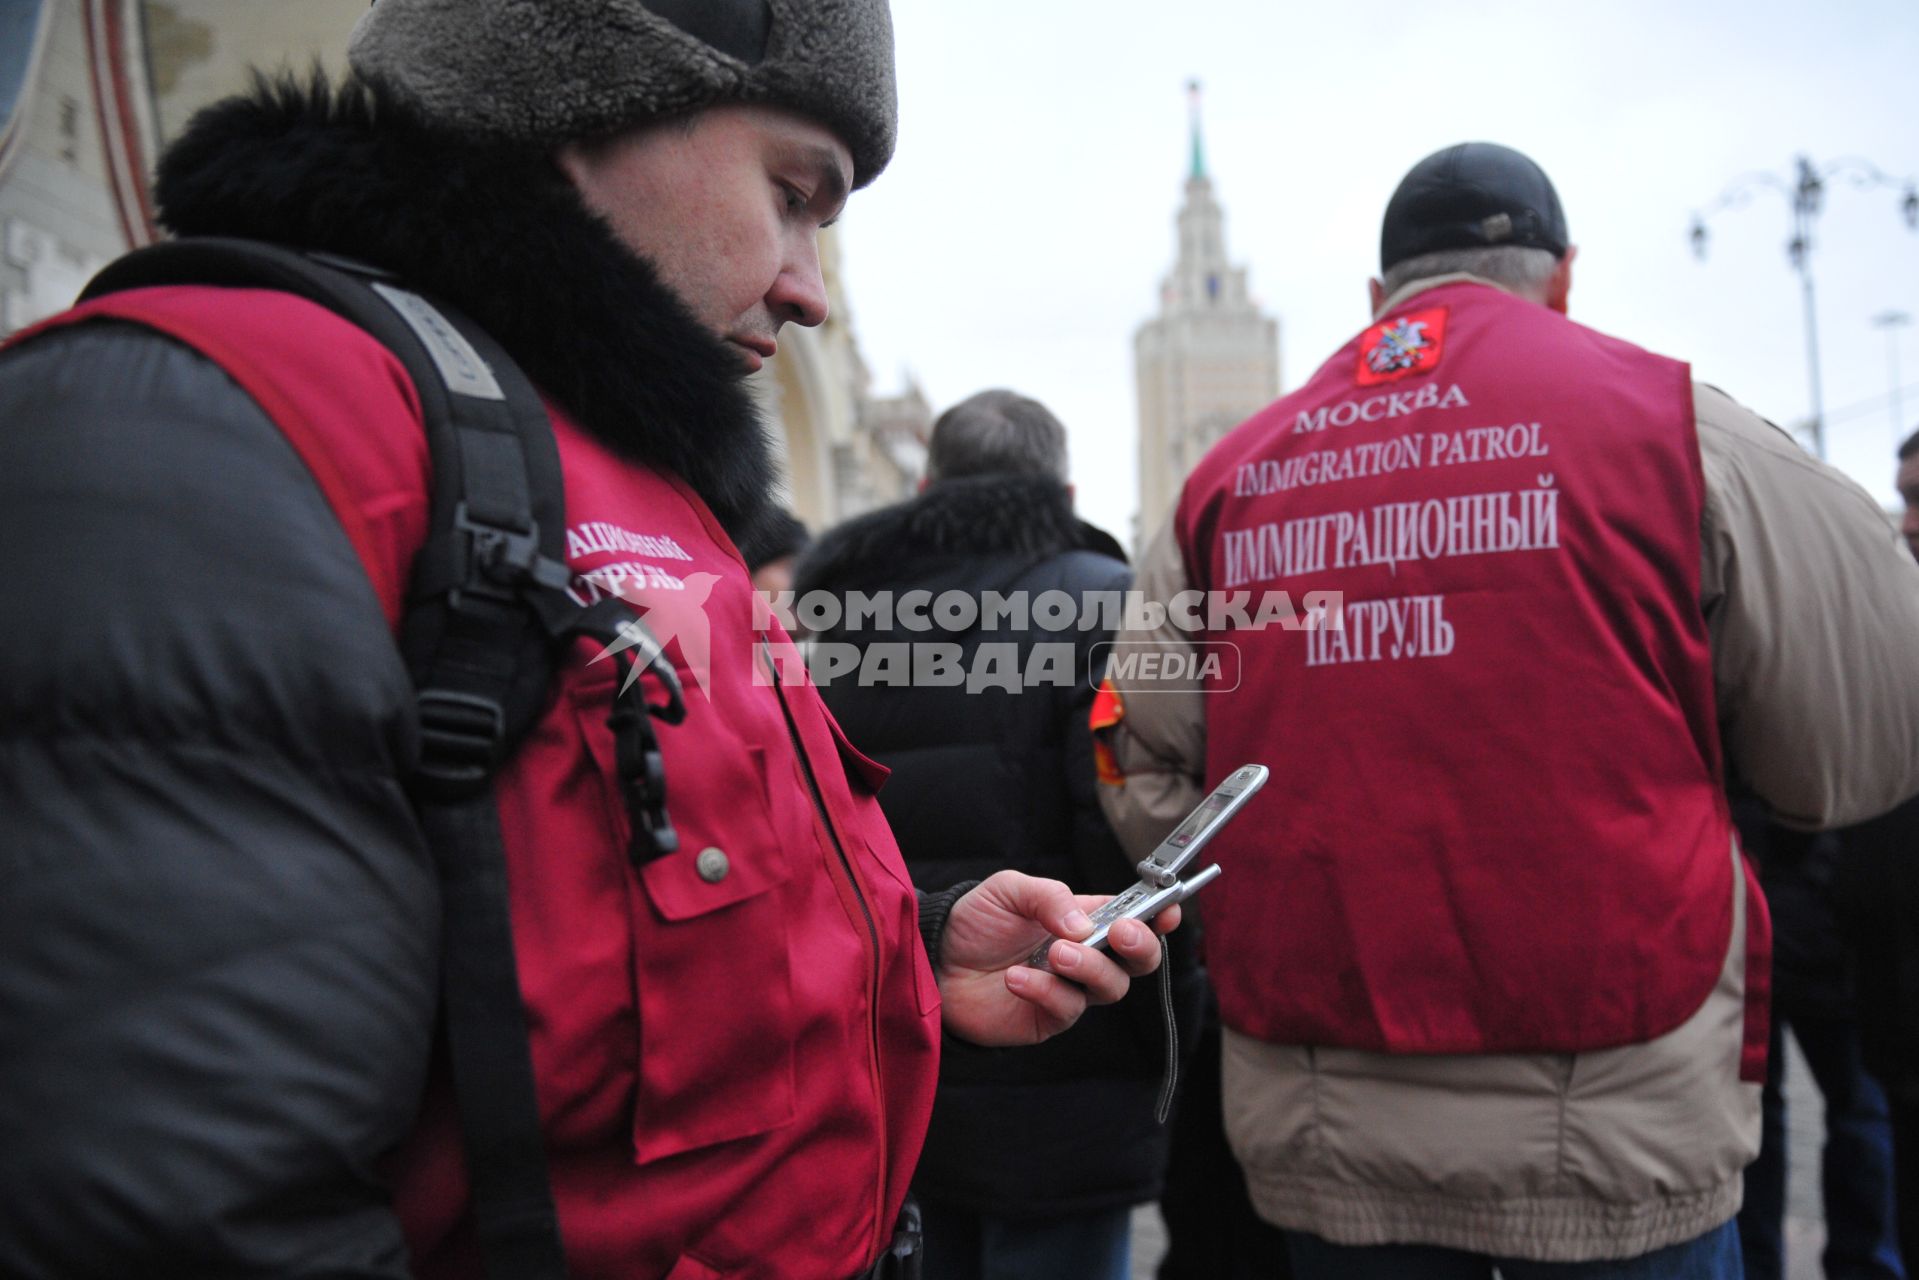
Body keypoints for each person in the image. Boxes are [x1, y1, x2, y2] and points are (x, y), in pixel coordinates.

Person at [0, 4, 1174, 1278]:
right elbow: (178, 1206)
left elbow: (596, 912)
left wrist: (910, 946)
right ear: (575, 107)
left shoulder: (629, 480)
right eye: (791, 192)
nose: (808, 290)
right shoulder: (205, 425)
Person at [1093, 141, 1919, 1279]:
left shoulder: (1223, 478)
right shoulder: (1680, 429)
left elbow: (1140, 769)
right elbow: (1859, 732)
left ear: (1379, 298)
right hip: (1620, 1113)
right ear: (1563, 276)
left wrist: (1285, 896)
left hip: (1329, 1118)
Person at [795, 389, 1206, 1280]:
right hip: (1064, 1027)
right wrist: (1169, 1012)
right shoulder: (1102, 602)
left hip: (905, 1029)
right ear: (1062, 492)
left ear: (932, 483)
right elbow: (1127, 828)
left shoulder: (842, 617)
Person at [1734, 796, 1905, 1280]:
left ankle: (1756, 1264)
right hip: (1835, 915)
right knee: (1859, 1107)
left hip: (1753, 913)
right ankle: (1866, 1264)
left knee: (1757, 1114)